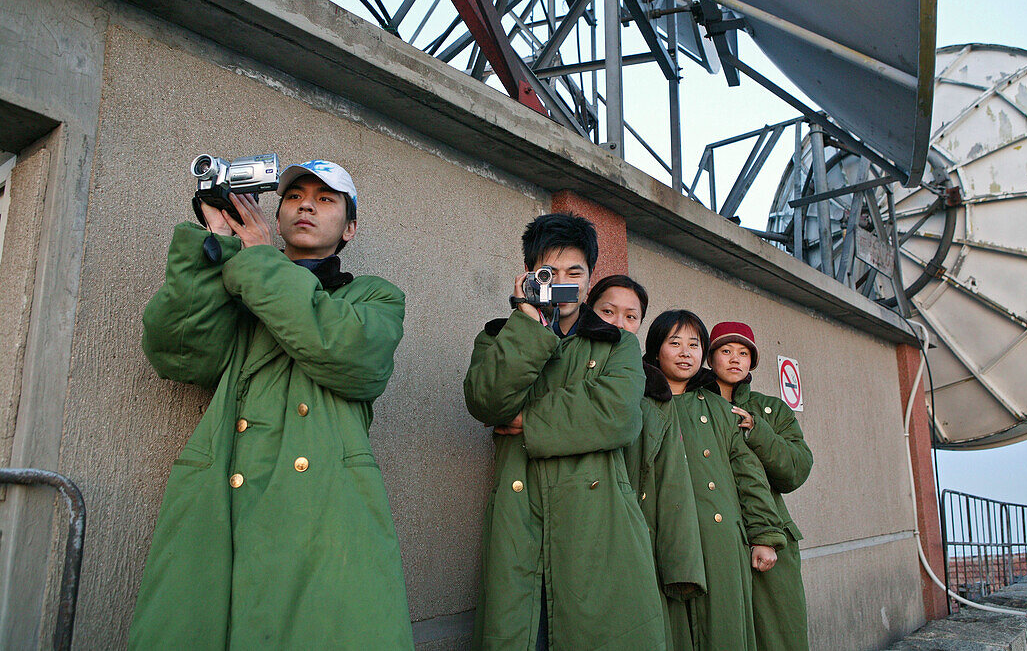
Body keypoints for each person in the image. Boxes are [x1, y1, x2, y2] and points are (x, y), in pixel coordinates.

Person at [130, 160, 414, 649]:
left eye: (326, 199)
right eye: (294, 196)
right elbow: (177, 353)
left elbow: (348, 357)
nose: (306, 204)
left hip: (326, 506)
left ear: (349, 229)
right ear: (276, 216)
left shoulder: (374, 296)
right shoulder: (236, 282)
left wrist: (259, 261)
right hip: (223, 490)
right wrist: (214, 245)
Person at [464, 214, 666, 650]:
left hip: (599, 524)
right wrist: (526, 321)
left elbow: (618, 415)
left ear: (590, 279)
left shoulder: (619, 344)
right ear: (528, 277)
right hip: (519, 520)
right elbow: (485, 401)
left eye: (574, 272)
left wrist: (527, 421)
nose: (563, 282)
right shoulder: (499, 338)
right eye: (548, 273)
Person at [644, 309, 788, 651]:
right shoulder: (638, 404)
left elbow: (749, 479)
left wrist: (765, 535)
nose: (685, 352)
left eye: (694, 344)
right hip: (658, 538)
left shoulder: (721, 410)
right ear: (655, 350)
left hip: (721, 542)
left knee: (724, 632)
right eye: (674, 343)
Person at [588, 276, 706, 650]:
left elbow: (672, 486)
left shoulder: (664, 401)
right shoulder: (567, 360)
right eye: (607, 312)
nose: (619, 324)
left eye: (631, 316)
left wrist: (681, 567)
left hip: (643, 539)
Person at [708, 321, 813, 651]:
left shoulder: (772, 409)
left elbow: (796, 470)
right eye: (725, 351)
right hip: (717, 534)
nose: (735, 359)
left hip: (772, 537)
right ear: (710, 358)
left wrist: (759, 432)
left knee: (779, 635)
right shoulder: (695, 405)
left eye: (743, 353)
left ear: (752, 361)